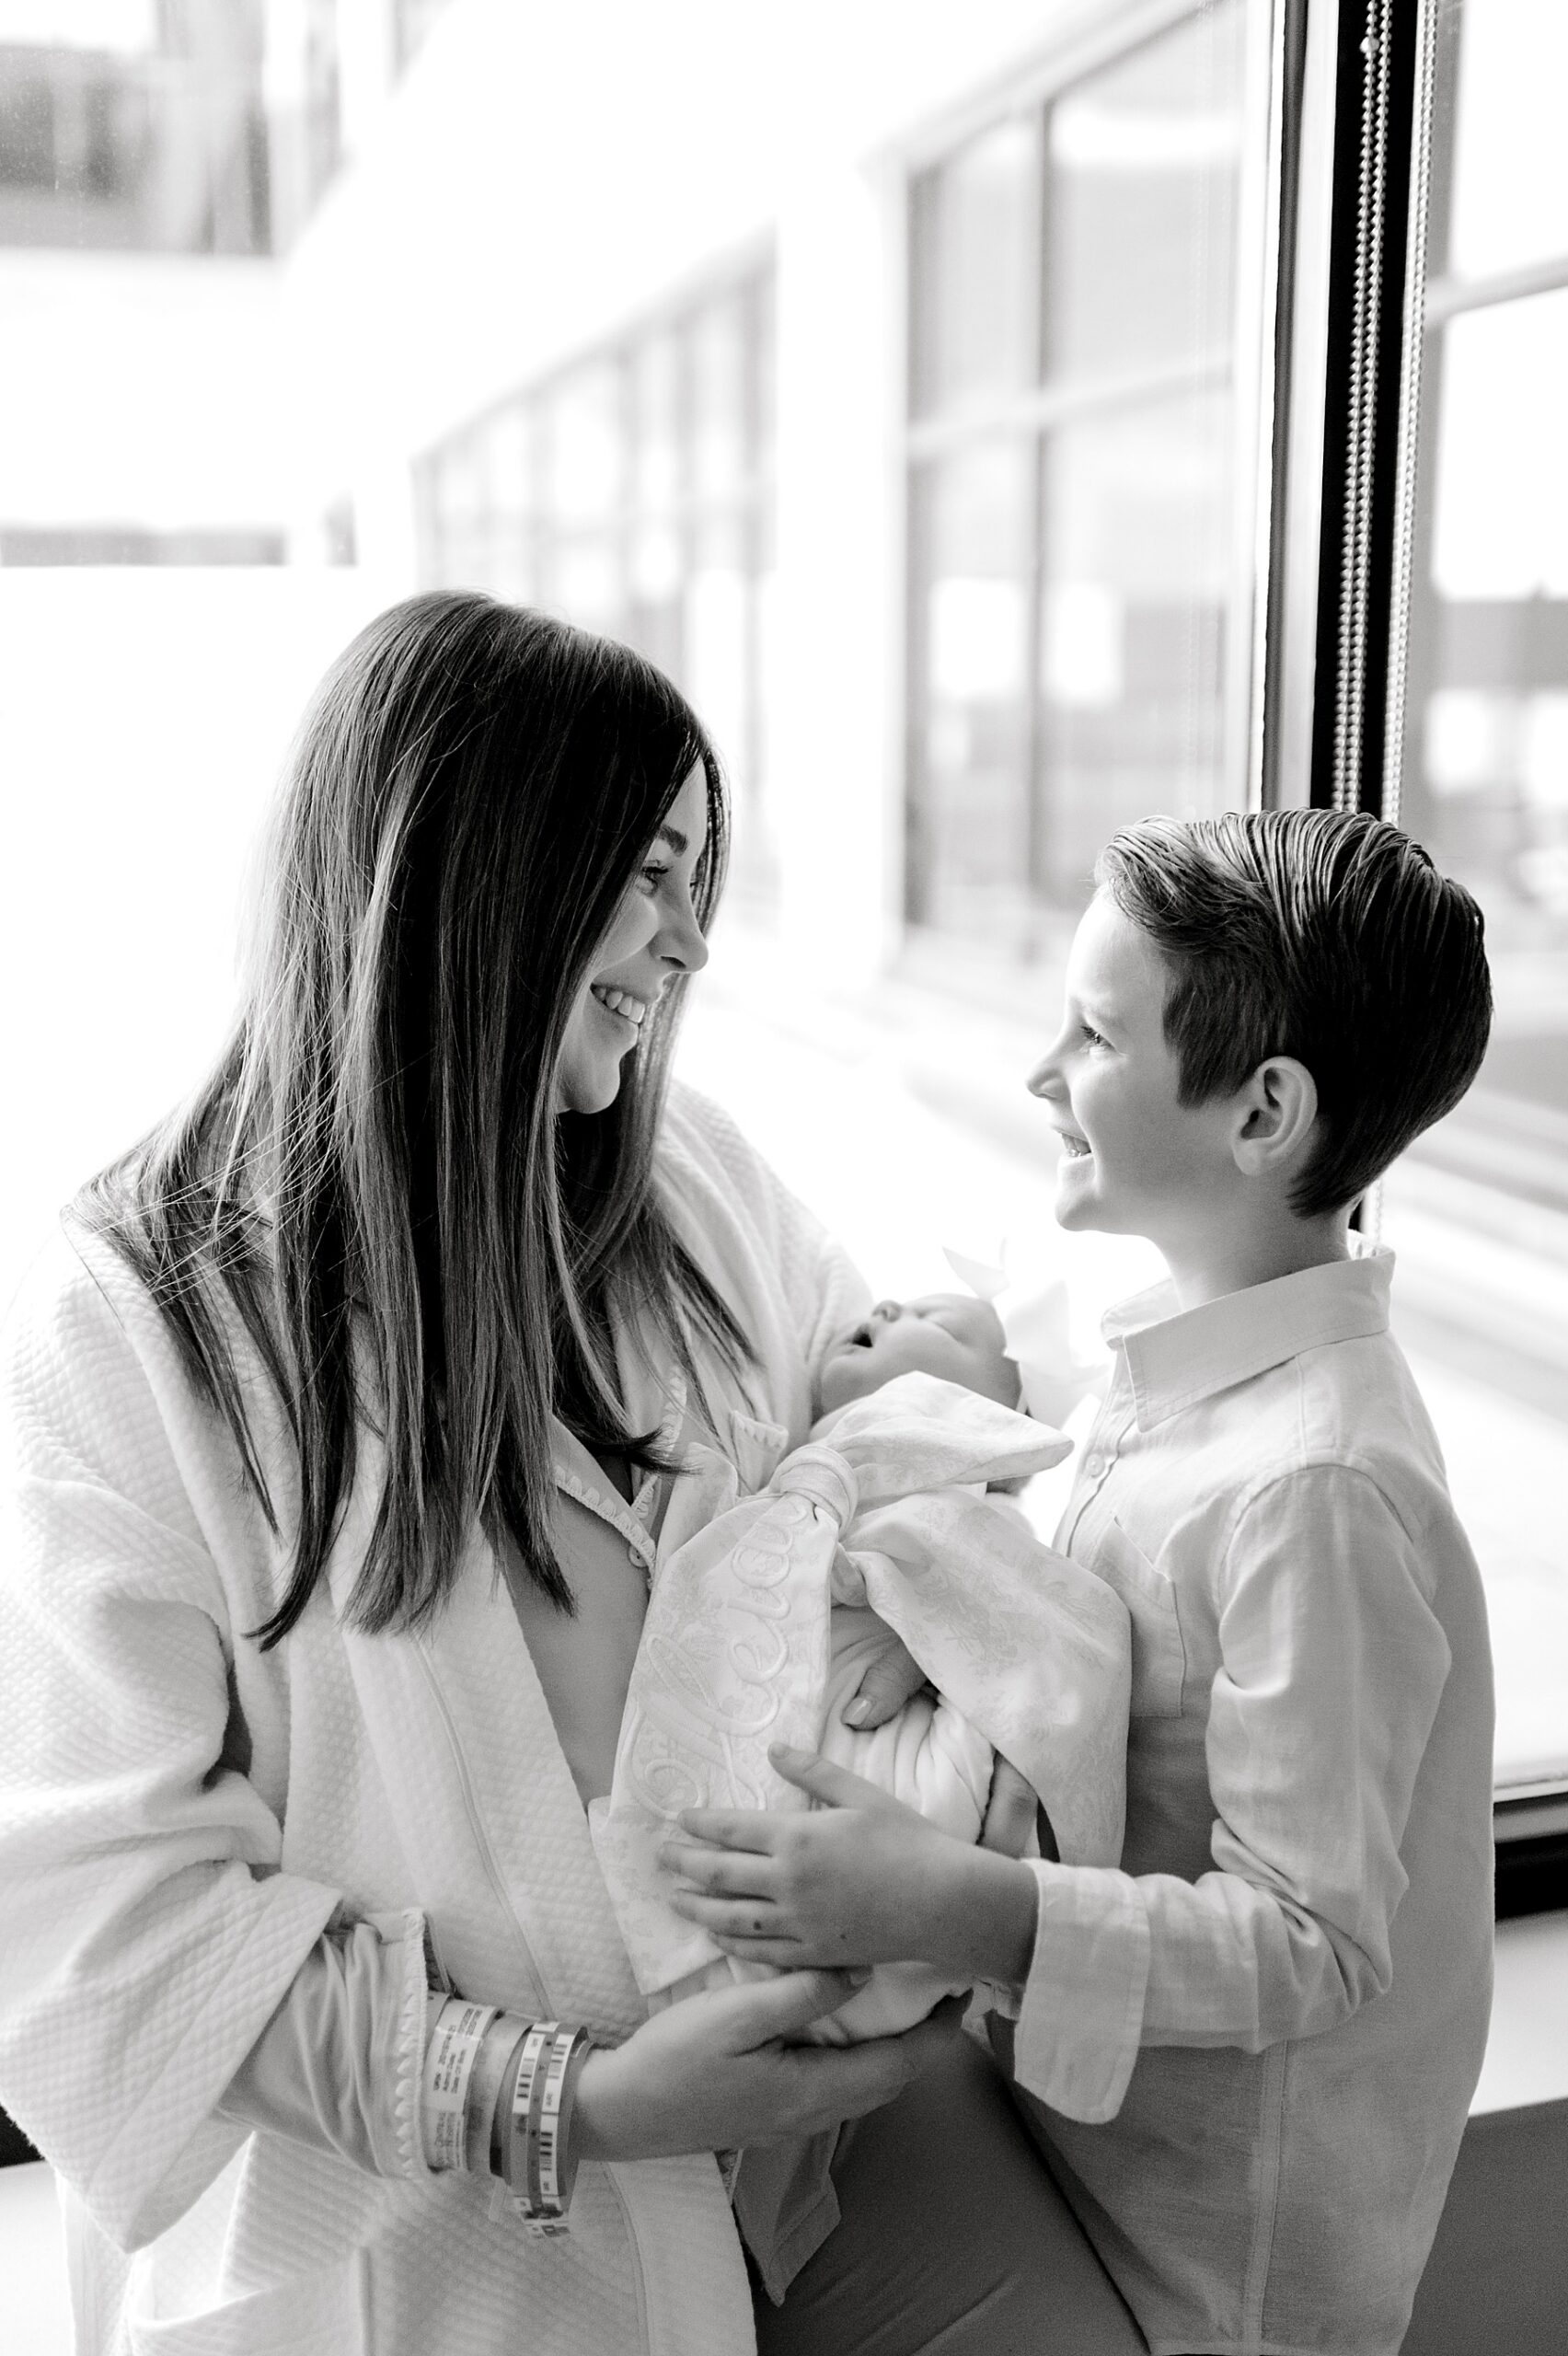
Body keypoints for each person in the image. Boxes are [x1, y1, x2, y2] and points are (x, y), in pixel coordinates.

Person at [0, 592, 1145, 2356]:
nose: (689, 942)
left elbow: (916, 1459)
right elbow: (102, 1930)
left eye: (701, 880)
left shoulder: (687, 1182)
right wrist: (581, 2102)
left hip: (812, 2108)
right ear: (474, 867)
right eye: (653, 869)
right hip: (441, 2192)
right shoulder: (135, 1327)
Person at [666, 808, 1496, 2356]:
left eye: (1093, 1034)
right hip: (1068, 2122)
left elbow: (1310, 1948)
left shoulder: (1313, 1486)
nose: (1039, 1072)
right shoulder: (1177, 1382)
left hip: (1188, 2267)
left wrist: (956, 1904)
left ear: (1261, 1112)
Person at [591, 1304, 1132, 2042]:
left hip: (902, 1791)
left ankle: (873, 1951)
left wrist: (943, 1617)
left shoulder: (974, 1511)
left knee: (931, 1782)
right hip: (797, 1752)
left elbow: (1046, 1629)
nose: (885, 1306)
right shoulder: (792, 1475)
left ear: (994, 1418)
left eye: (937, 1322)